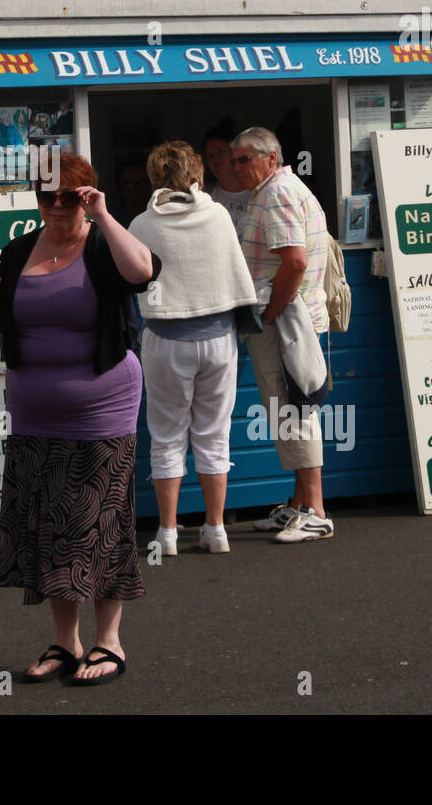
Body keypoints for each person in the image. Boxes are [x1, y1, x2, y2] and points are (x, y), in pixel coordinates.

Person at [0, 154, 159, 686]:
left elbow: (142, 272)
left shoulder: (102, 245)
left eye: (69, 196)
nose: (56, 206)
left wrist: (102, 214)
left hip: (102, 406)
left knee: (97, 524)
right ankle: (65, 641)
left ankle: (110, 642)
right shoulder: (17, 251)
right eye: (46, 196)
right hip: (32, 411)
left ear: (86, 196)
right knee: (47, 526)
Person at [128, 142, 256, 555]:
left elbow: (126, 277)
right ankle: (215, 528)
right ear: (197, 173)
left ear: (154, 177)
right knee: (214, 434)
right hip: (218, 338)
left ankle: (167, 533)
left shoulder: (141, 224)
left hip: (165, 340)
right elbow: (234, 269)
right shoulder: (217, 215)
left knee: (166, 436)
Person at [231, 126, 334, 542]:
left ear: (271, 158)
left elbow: (293, 262)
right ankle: (298, 505)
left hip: (286, 323)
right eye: (234, 160)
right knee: (290, 409)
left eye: (246, 159)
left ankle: (315, 510)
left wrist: (270, 314)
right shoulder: (281, 188)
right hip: (294, 319)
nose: (237, 167)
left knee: (295, 411)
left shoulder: (276, 195)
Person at [202, 122, 251, 234]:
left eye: (220, 152)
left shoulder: (258, 193)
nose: (216, 159)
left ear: (235, 153)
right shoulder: (204, 198)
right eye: (210, 155)